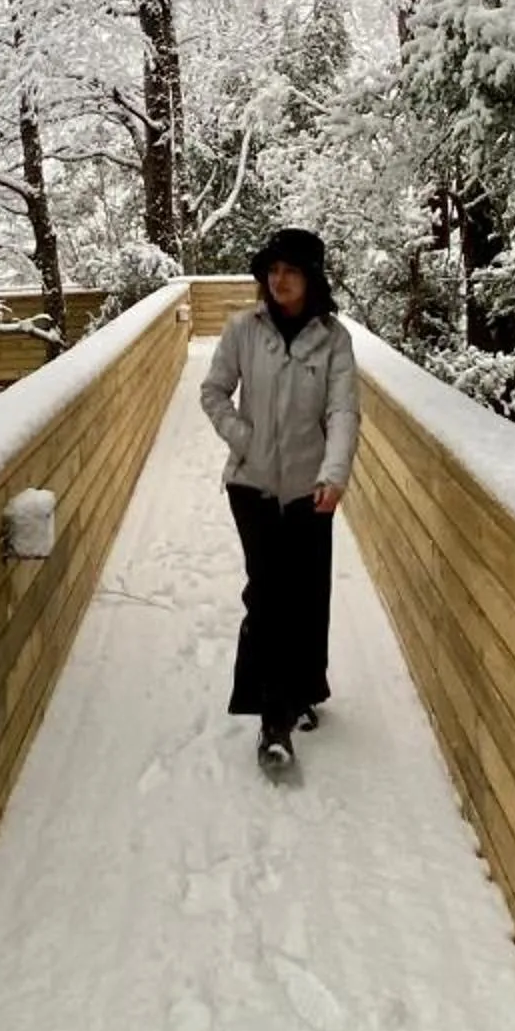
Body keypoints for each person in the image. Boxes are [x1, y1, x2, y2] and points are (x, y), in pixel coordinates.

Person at [199, 227, 361, 769]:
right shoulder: (244, 329)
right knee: (268, 595)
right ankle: (274, 719)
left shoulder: (333, 339)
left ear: (311, 277)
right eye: (272, 270)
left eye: (290, 270)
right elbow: (213, 391)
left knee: (307, 595)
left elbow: (342, 412)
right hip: (251, 485)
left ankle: (307, 689)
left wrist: (334, 474)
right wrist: (241, 437)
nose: (278, 279)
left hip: (310, 487)